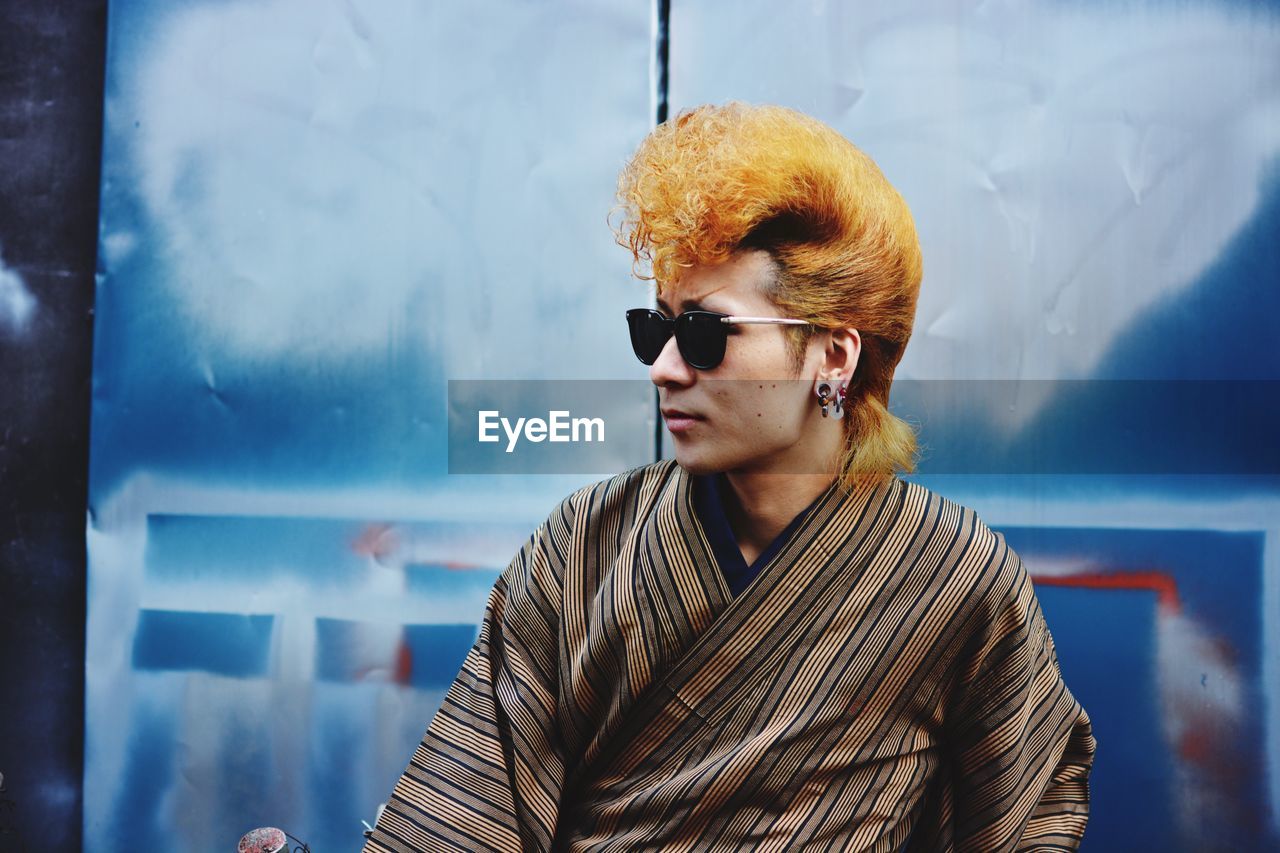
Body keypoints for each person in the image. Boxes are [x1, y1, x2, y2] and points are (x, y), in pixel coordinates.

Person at [364, 102, 1095, 851]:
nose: (664, 367)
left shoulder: (953, 575)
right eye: (655, 327)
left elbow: (1030, 807)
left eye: (706, 333)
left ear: (834, 356)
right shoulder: (583, 546)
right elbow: (459, 815)